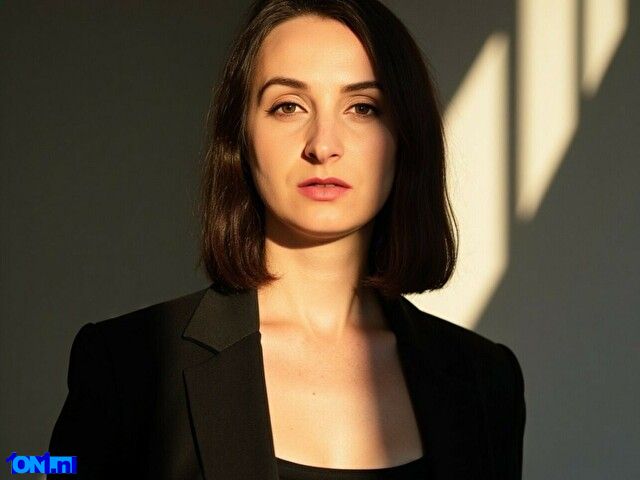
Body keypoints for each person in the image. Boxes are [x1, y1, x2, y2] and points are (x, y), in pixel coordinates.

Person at [48, 0, 526, 478]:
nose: (323, 145)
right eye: (288, 106)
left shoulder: (485, 381)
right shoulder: (125, 366)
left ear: (406, 138)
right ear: (240, 135)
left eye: (362, 108)